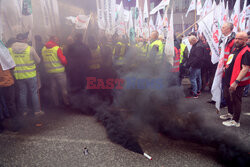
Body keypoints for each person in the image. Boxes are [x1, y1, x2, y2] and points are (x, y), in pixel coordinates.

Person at [9, 33, 43, 116]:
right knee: (34, 93)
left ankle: (24, 111)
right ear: (24, 39)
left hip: (19, 76)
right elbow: (38, 61)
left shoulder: (10, 50)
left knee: (22, 93)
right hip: (30, 75)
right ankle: (37, 111)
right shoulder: (30, 49)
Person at [221, 32, 249, 127]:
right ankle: (230, 114)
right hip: (228, 78)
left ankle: (236, 121)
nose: (237, 40)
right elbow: (231, 60)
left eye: (240, 39)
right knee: (226, 96)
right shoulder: (235, 49)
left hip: (237, 81)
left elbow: (245, 68)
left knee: (236, 100)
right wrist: (226, 67)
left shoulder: (246, 51)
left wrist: (236, 82)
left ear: (245, 40)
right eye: (236, 38)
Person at [42, 36, 70, 107]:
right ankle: (66, 102)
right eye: (57, 41)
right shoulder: (57, 48)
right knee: (64, 88)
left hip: (49, 72)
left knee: (53, 88)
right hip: (59, 72)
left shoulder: (43, 49)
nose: (58, 42)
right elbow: (63, 60)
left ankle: (56, 103)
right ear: (53, 41)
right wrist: (66, 63)